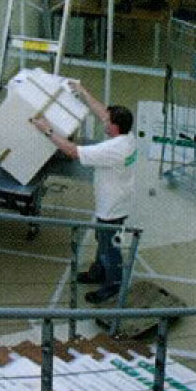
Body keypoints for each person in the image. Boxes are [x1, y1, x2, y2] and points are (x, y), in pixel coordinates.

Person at [30, 83, 137, 304]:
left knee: (109, 248)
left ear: (115, 128)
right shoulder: (128, 136)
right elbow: (103, 112)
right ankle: (97, 273)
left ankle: (112, 285)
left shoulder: (112, 150)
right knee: (103, 240)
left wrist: (47, 129)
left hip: (112, 208)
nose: (104, 122)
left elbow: (72, 152)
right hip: (118, 199)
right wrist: (83, 91)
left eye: (108, 122)